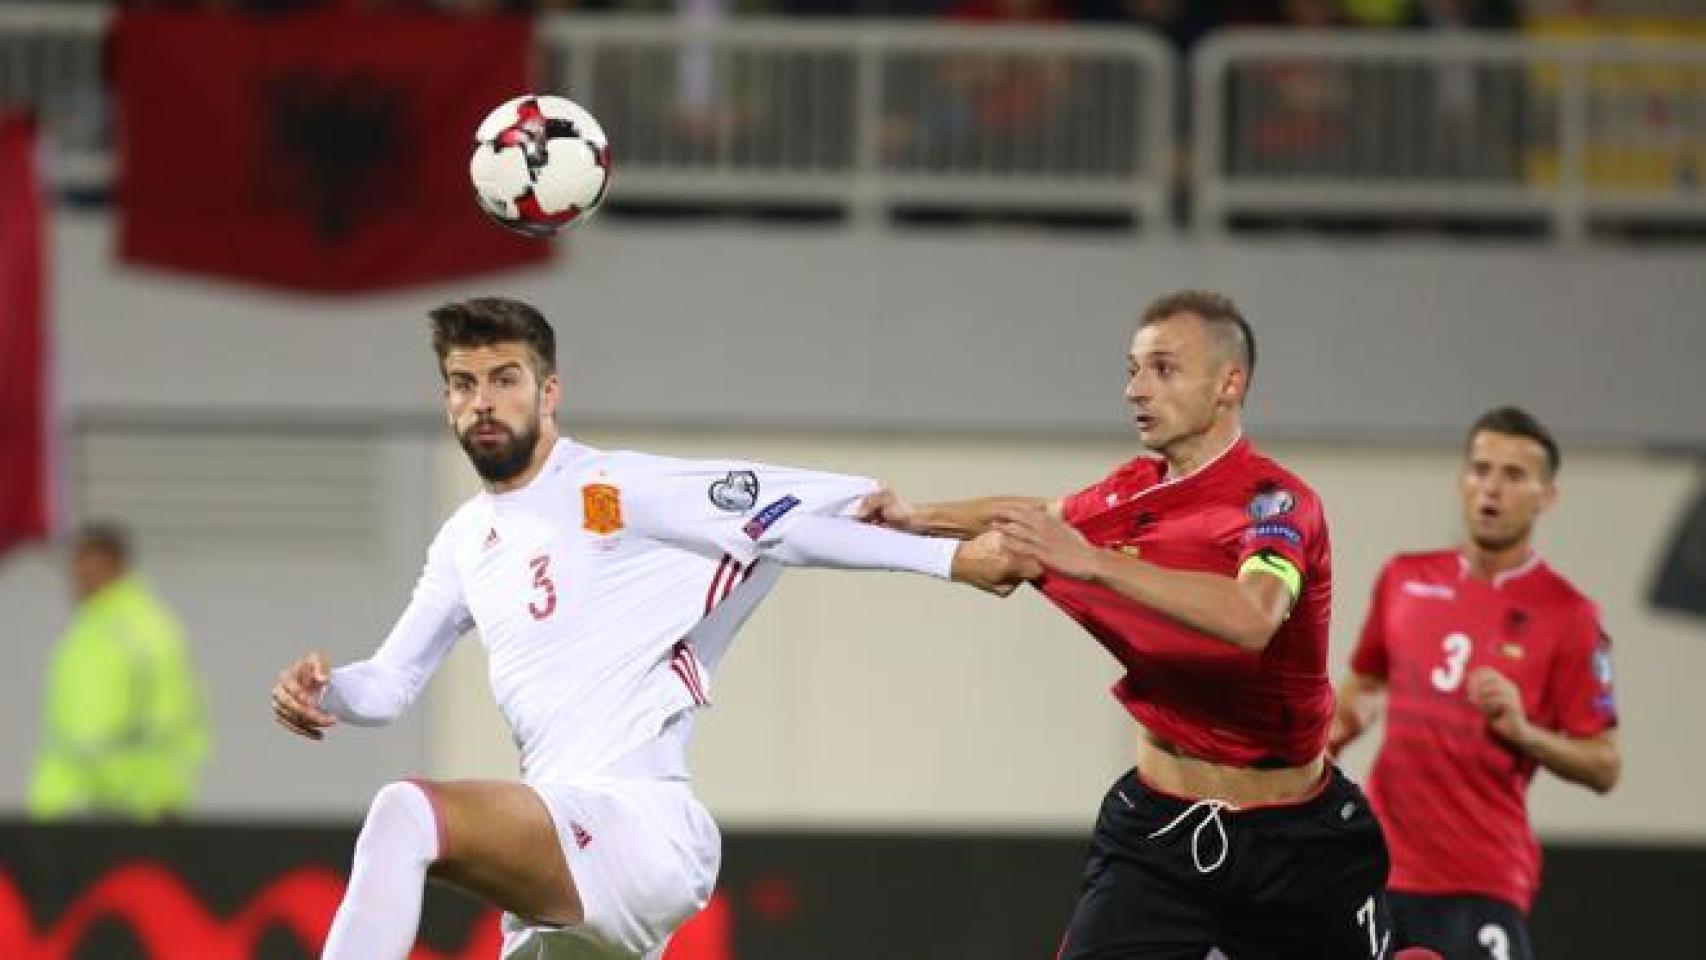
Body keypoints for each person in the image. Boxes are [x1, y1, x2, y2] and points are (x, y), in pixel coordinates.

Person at [269, 297, 1027, 960]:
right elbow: (392, 683)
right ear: (447, 401)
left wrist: (952, 558)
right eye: (464, 384)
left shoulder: (614, 490)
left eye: (505, 379)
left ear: (549, 391)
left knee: (406, 813)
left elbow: (782, 529)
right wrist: (329, 693)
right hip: (569, 847)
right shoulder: (465, 541)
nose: (484, 402)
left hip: (632, 822)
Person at [861, 290, 1391, 959]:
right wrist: (917, 515)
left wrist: (1090, 563)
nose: (1136, 389)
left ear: (1230, 383)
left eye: (1162, 369)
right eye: (1131, 370)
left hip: (1294, 844)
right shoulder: (1131, 489)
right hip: (1159, 833)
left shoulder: (1273, 501)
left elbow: (1252, 617)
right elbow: (1042, 515)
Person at [1330, 407, 1621, 960]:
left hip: (1479, 880)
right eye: (1481, 469)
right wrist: (1327, 739)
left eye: (1514, 476)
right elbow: (1366, 683)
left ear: (1546, 496)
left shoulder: (1570, 614)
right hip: (1380, 868)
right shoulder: (1404, 577)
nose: (1492, 488)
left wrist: (1525, 733)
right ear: (1462, 480)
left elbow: (1605, 765)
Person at [28, 523, 211, 821]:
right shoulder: (85, 631)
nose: (79, 578)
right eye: (76, 568)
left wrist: (162, 794)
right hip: (71, 807)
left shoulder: (147, 630)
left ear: (116, 565)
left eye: (89, 567)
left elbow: (172, 719)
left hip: (131, 809)